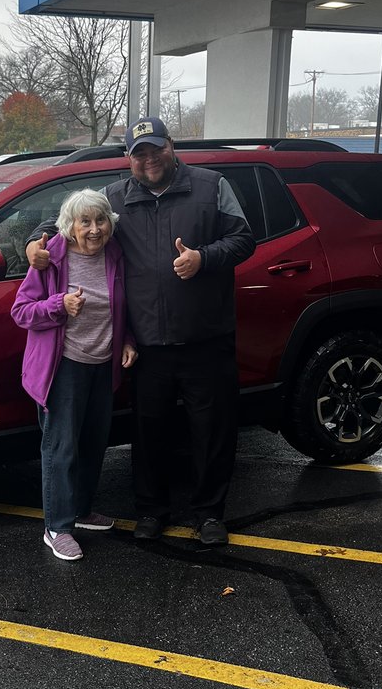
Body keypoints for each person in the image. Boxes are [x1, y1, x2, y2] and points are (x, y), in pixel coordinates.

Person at [26, 118, 255, 546]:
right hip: (145, 343)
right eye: (139, 153)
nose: (149, 160)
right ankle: (151, 510)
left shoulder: (211, 185)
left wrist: (204, 258)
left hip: (206, 336)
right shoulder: (114, 198)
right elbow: (68, 223)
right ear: (128, 158)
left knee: (212, 431)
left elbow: (244, 239)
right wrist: (34, 243)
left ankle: (209, 514)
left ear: (171, 146)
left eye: (156, 149)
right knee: (149, 433)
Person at [11, 189, 137, 561]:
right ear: (71, 226)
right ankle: (57, 527)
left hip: (102, 363)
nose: (94, 230)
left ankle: (81, 511)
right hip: (63, 366)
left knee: (93, 442)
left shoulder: (114, 254)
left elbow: (121, 307)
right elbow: (21, 312)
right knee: (61, 448)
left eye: (100, 221)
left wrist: (127, 340)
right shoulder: (51, 259)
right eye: (85, 222)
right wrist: (58, 305)